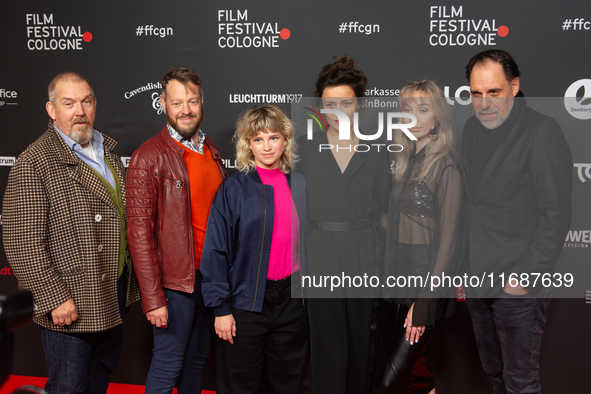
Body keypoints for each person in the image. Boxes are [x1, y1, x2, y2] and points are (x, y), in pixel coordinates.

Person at [2, 72, 139, 394]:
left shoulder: (108, 153)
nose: (80, 110)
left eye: (86, 101)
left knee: (99, 376)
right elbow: (22, 242)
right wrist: (54, 298)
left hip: (111, 293)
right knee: (69, 386)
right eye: (69, 103)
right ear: (51, 110)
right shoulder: (33, 163)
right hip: (71, 300)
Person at [461, 49, 572, 394]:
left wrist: (524, 277)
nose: (484, 103)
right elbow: (470, 204)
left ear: (514, 86)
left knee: (521, 383)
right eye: (476, 94)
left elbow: (557, 213)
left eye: (493, 92)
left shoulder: (542, 132)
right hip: (478, 280)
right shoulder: (469, 128)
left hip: (518, 288)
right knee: (494, 373)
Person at [126, 67, 226, 393]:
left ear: (201, 102)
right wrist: (153, 299)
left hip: (208, 280)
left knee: (196, 361)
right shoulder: (148, 156)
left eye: (192, 101)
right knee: (168, 363)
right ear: (163, 104)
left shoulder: (210, 148)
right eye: (177, 102)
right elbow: (139, 234)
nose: (186, 109)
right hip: (174, 285)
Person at [298, 55, 391, 393]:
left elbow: (386, 204)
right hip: (322, 252)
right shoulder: (304, 148)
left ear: (359, 104)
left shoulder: (378, 149)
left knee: (361, 347)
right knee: (328, 350)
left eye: (346, 103)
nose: (337, 112)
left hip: (364, 253)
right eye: (330, 104)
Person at [201, 105, 309, 394]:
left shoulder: (300, 184)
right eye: (258, 139)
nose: (267, 146)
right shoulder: (233, 188)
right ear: (248, 144)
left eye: (273, 137)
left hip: (291, 302)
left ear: (285, 139)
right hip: (245, 302)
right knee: (241, 386)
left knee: (287, 384)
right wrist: (221, 308)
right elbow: (216, 251)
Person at [375, 79, 462, 394]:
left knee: (389, 382)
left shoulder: (447, 164)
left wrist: (424, 302)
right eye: (406, 110)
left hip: (423, 281)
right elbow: (395, 221)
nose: (412, 117)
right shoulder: (407, 162)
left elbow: (449, 241)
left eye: (422, 109)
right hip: (395, 278)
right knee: (417, 376)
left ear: (437, 117)